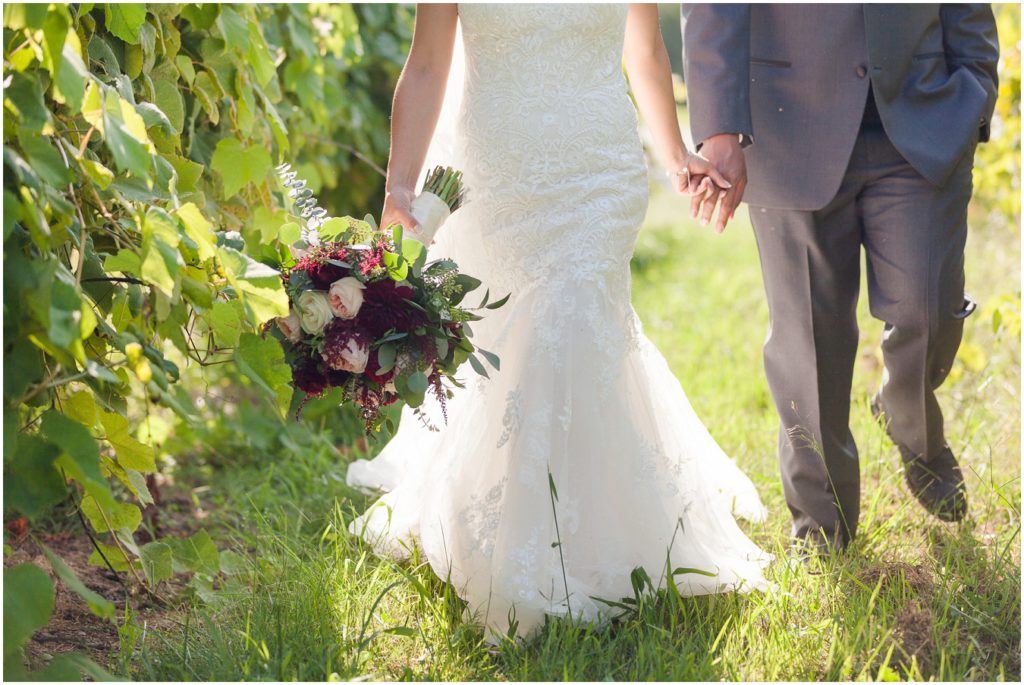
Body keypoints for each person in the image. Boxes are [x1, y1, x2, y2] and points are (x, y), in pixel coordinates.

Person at [346, 4, 769, 640]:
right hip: (495, 175)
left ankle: (585, 547)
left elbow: (646, 50)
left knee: (569, 321)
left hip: (599, 171)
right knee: (510, 348)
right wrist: (398, 190)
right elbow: (429, 65)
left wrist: (674, 152)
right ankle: (506, 527)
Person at [681, 4, 999, 553]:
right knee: (808, 343)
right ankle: (822, 528)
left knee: (928, 313)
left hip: (924, 113)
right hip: (788, 120)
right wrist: (718, 126)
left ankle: (910, 423)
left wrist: (977, 84)